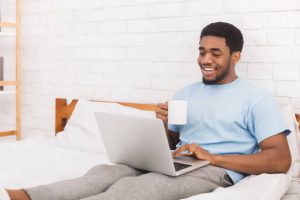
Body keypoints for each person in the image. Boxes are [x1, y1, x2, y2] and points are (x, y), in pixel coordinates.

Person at [6, 22, 291, 200]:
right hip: (179, 160)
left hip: (217, 169)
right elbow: (170, 144)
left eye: (215, 53)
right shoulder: (186, 93)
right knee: (104, 173)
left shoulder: (256, 98)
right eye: (202, 51)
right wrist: (164, 127)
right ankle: (20, 196)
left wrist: (214, 157)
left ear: (235, 57)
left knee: (135, 190)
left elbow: (280, 160)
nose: (205, 59)